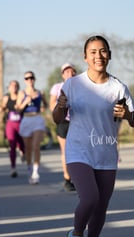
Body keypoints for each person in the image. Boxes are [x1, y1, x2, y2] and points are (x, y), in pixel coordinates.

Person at [53, 35, 134, 237]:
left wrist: (128, 115)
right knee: (90, 198)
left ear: (109, 55)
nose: (98, 56)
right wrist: (61, 107)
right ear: (85, 57)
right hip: (78, 151)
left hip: (105, 153)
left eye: (102, 51)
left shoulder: (118, 87)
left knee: (101, 205)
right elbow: (57, 118)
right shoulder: (73, 84)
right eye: (93, 52)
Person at [15, 71, 48, 184]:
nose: (30, 80)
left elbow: (46, 104)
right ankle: (29, 168)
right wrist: (25, 102)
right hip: (26, 120)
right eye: (27, 78)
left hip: (37, 119)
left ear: (34, 79)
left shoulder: (40, 92)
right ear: (24, 80)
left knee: (36, 146)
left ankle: (35, 172)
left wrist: (43, 106)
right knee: (28, 149)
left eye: (31, 78)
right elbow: (18, 109)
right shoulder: (21, 93)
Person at [49, 63, 77, 191]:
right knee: (65, 151)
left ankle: (78, 177)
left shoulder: (81, 87)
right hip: (63, 122)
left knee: (78, 151)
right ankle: (67, 178)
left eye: (71, 72)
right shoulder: (57, 87)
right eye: (66, 72)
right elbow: (51, 105)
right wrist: (60, 107)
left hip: (77, 121)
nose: (69, 74)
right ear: (62, 74)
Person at [0, 80, 25, 178]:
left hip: (21, 123)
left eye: (16, 85)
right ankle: (13, 168)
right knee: (12, 144)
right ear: (9, 88)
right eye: (12, 86)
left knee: (21, 143)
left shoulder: (21, 96)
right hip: (11, 123)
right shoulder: (6, 97)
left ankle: (22, 151)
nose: (14, 87)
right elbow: (2, 107)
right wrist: (1, 108)